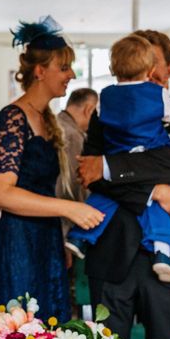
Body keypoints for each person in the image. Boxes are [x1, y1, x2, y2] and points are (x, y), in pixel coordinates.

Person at [77, 29, 170, 339]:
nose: (147, 72)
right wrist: (156, 191)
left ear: (167, 70)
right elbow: (91, 174)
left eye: (154, 63)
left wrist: (112, 166)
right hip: (112, 248)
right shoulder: (106, 111)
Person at [0, 16, 104, 322]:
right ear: (39, 70)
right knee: (19, 332)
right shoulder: (13, 118)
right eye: (64, 67)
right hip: (15, 241)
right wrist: (69, 209)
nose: (71, 74)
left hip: (45, 240)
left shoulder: (47, 119)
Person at [66, 35, 170, 283]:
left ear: (112, 69)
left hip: (114, 158)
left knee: (103, 198)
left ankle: (79, 237)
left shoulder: (104, 96)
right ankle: (162, 251)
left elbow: (101, 119)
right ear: (151, 70)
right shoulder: (158, 94)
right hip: (149, 156)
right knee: (155, 207)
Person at [55, 88, 98, 241]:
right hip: (64, 224)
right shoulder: (73, 137)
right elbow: (72, 186)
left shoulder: (54, 125)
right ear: (89, 110)